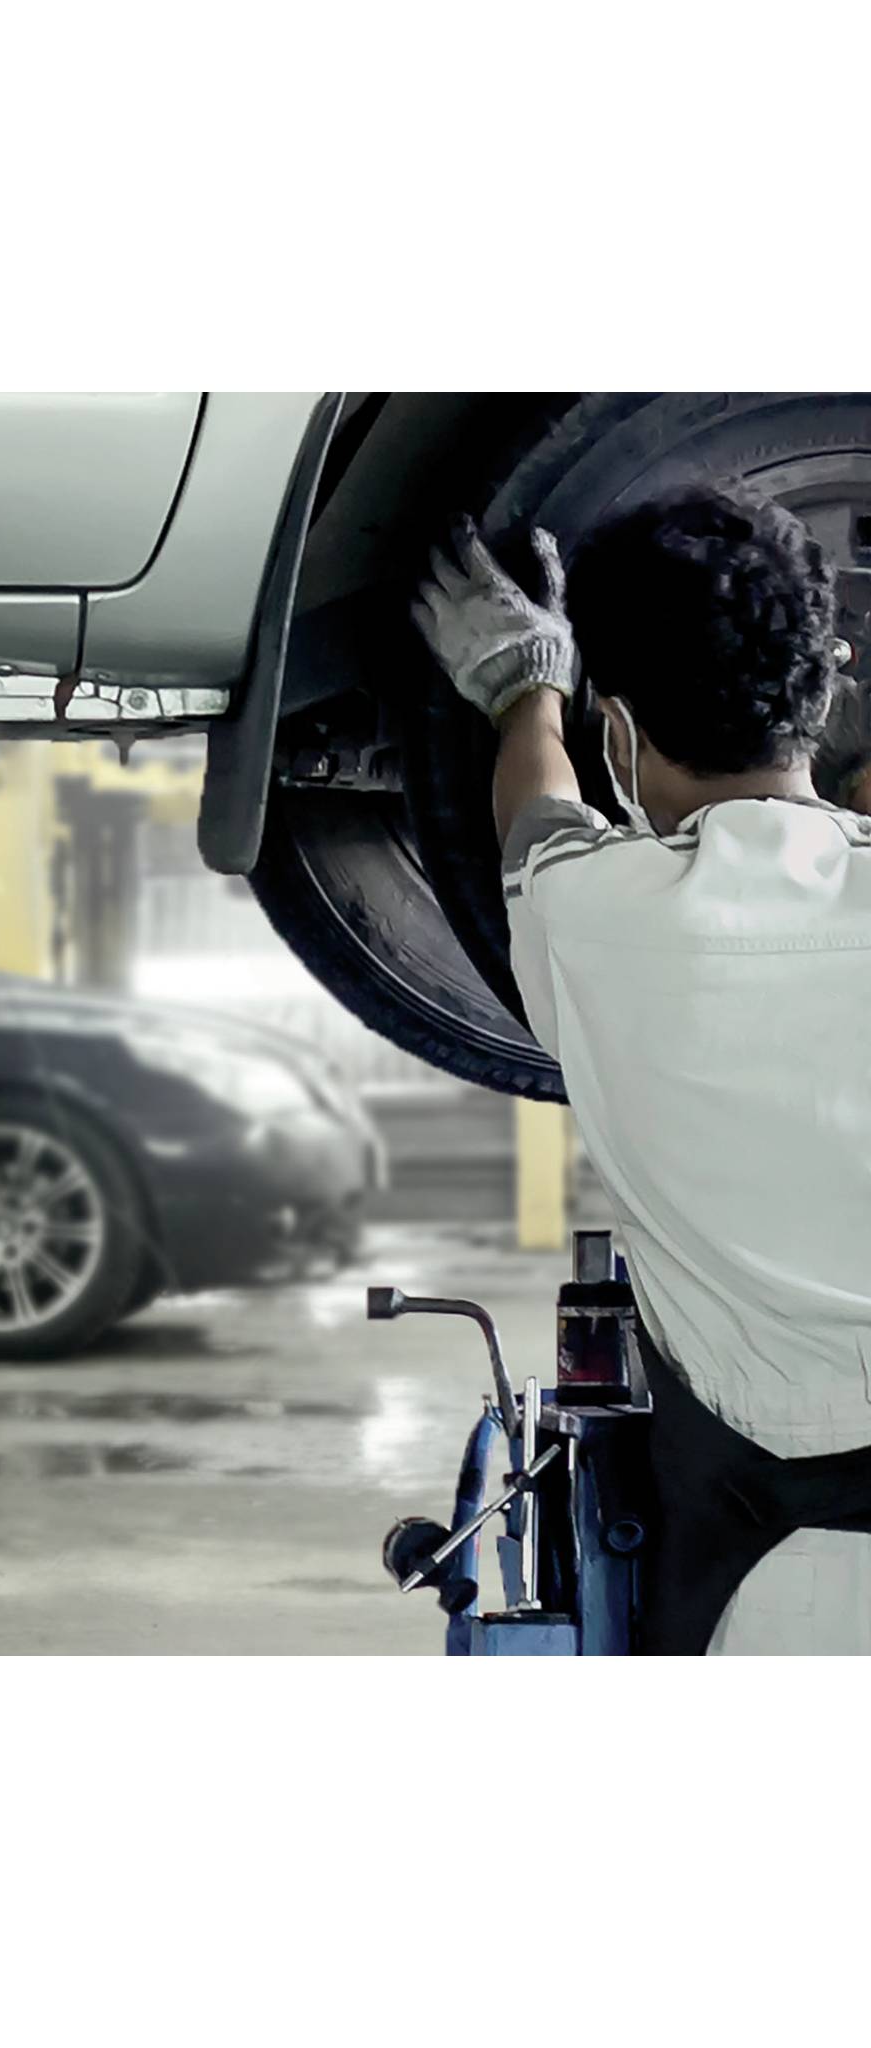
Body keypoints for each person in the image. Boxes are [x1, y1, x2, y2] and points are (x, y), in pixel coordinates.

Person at [413, 484, 871, 1654]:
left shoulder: (596, 921)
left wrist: (525, 685)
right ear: (822, 689)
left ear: (617, 733)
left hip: (790, 1587)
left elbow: (535, 806)